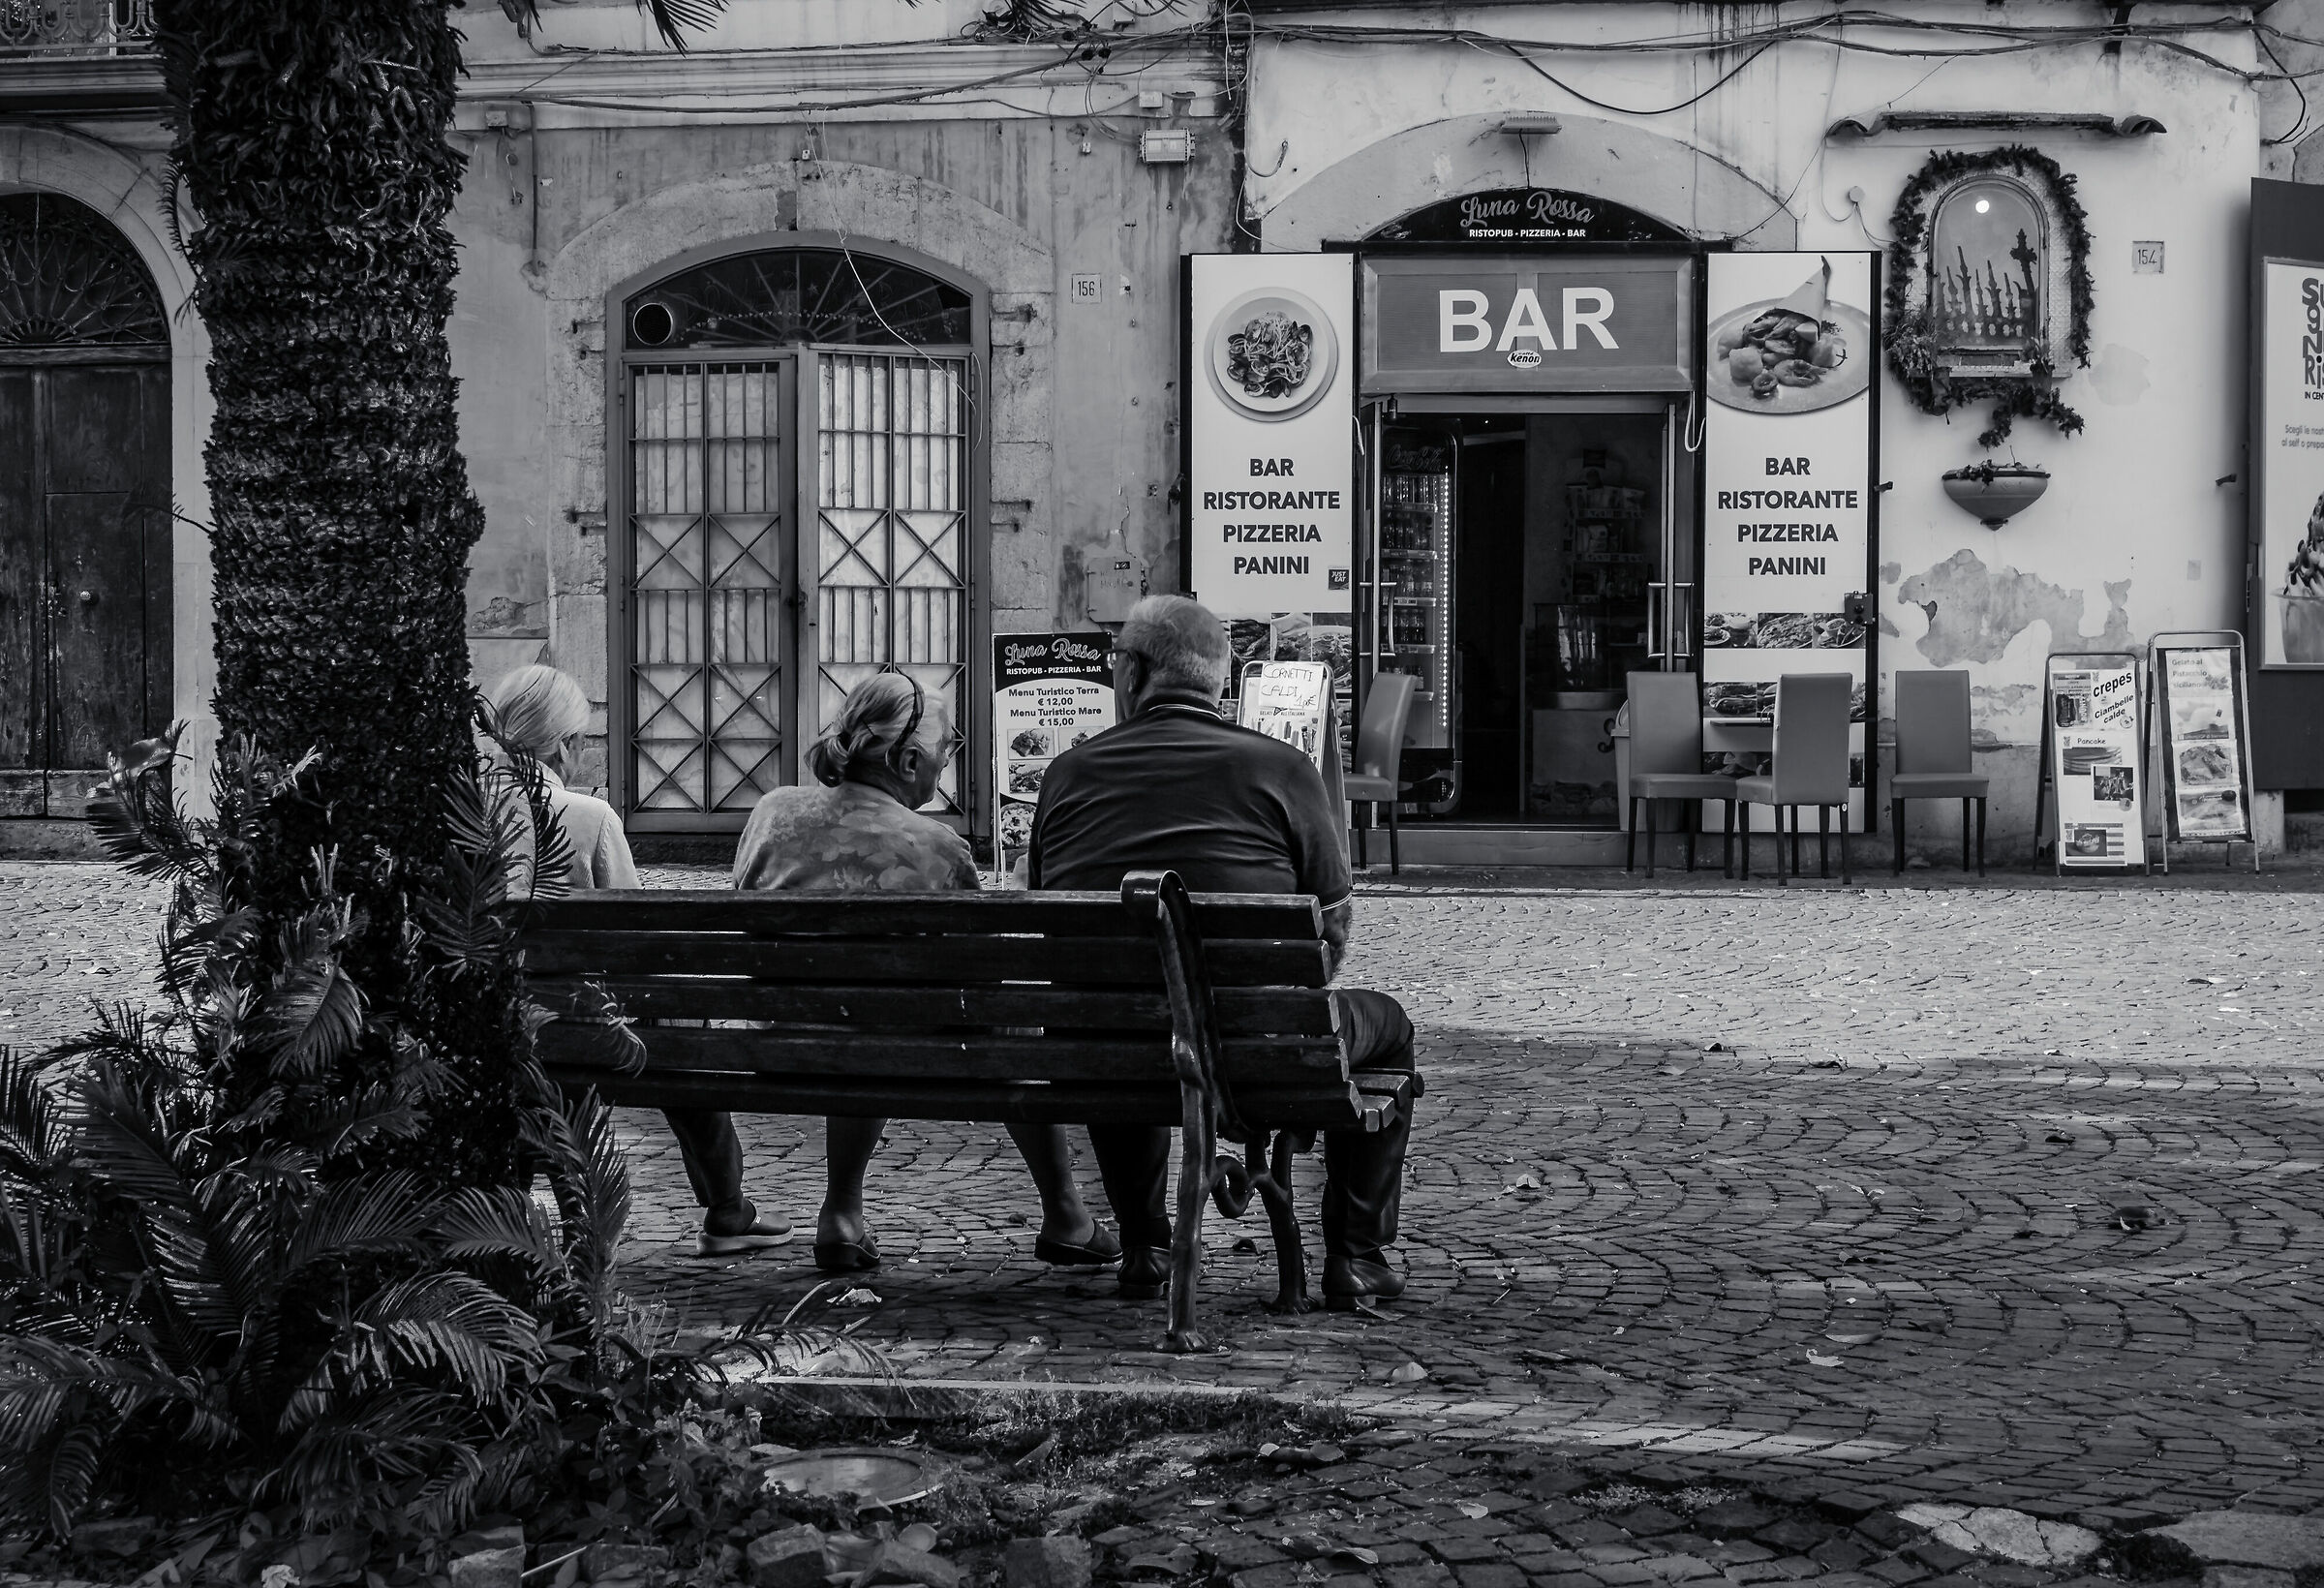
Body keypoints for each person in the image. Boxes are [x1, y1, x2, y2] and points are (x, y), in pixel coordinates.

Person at [1027, 596, 1420, 1310]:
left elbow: (1054, 927)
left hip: (1101, 1045)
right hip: (1259, 1045)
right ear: (1222, 680)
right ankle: (1357, 1254)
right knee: (1387, 1028)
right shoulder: (1282, 769)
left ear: (1133, 674)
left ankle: (1147, 1244)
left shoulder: (1065, 776)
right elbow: (1332, 924)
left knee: (1120, 1008)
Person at [732, 670, 1122, 1275]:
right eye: (945, 753)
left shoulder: (772, 813)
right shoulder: (937, 847)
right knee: (1008, 1022)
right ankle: (1067, 1214)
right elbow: (980, 975)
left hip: (785, 1040)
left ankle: (841, 1213)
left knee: (860, 1016)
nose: (945, 767)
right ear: (908, 758)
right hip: (898, 1044)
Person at [483, 662, 793, 1260]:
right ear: (565, 746)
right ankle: (727, 1207)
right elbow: (637, 946)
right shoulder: (588, 818)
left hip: (491, 1024)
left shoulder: (465, 815)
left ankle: (504, 1216)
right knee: (679, 1031)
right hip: (585, 1027)